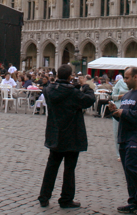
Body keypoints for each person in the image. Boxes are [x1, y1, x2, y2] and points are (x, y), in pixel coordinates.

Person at [37, 63, 95, 209]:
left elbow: (60, 91)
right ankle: (66, 198)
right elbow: (89, 100)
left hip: (55, 132)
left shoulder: (48, 90)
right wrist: (86, 86)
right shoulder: (72, 93)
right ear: (70, 77)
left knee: (51, 166)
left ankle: (44, 196)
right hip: (71, 134)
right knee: (69, 169)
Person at [108, 67, 137, 215]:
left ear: (135, 77)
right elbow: (123, 117)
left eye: (127, 78)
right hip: (124, 136)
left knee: (134, 169)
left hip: (136, 137)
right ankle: (133, 201)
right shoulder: (127, 95)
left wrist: (124, 112)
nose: (124, 81)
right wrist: (115, 112)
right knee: (128, 171)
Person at [111, 74, 129, 161]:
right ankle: (119, 153)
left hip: (128, 109)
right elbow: (113, 96)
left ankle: (128, 151)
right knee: (117, 131)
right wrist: (120, 96)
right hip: (118, 107)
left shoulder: (134, 84)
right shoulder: (119, 83)